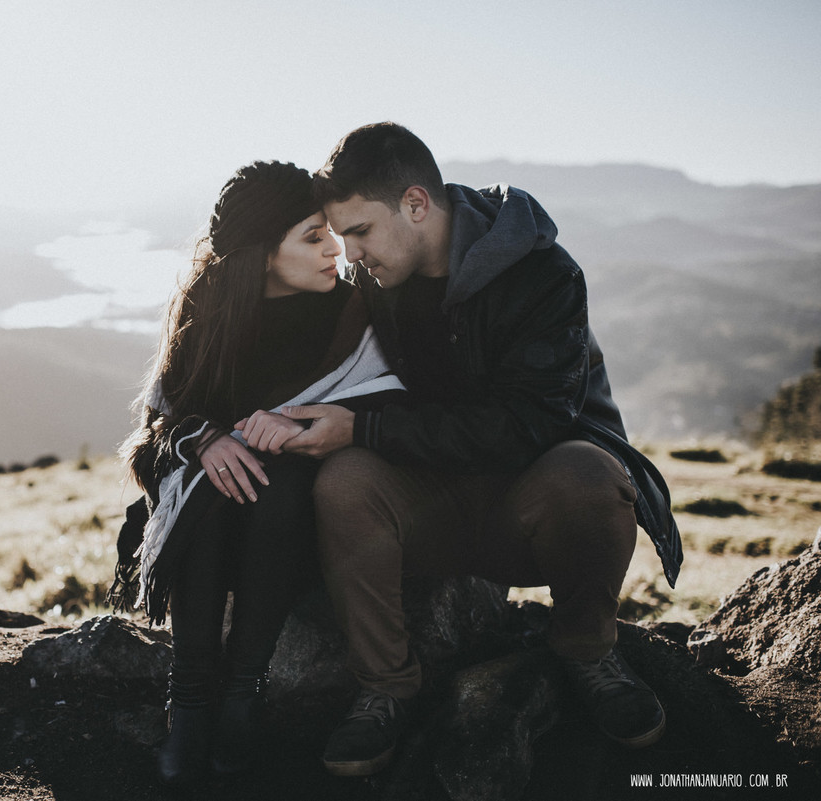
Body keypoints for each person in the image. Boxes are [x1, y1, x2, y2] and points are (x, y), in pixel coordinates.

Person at [264, 122, 682, 776]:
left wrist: (364, 429)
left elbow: (529, 427)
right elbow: (322, 367)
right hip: (436, 503)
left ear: (416, 205)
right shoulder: (376, 283)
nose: (349, 253)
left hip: (534, 505)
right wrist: (201, 420)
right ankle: (385, 686)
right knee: (344, 481)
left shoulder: (543, 274)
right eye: (341, 237)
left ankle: (586, 649)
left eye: (361, 231)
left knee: (588, 475)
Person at [109, 161, 404, 786]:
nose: (335, 250)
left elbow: (391, 398)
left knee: (276, 488)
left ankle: (243, 695)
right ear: (263, 254)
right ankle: (189, 701)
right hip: (213, 516)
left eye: (331, 233)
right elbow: (155, 433)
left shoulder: (355, 316)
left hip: (296, 517)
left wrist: (313, 426)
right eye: (312, 236)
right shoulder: (206, 315)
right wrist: (203, 439)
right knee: (210, 489)